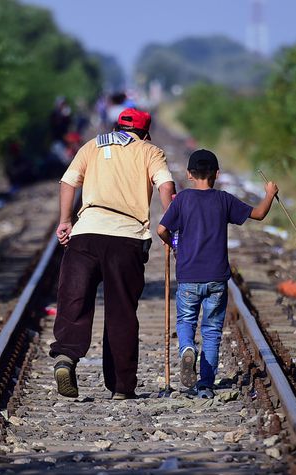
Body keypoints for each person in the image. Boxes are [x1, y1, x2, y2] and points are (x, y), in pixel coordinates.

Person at [50, 108, 176, 400]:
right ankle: (121, 386)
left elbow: (68, 182)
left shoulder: (92, 145)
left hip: (86, 234)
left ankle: (66, 356)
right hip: (126, 238)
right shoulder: (150, 150)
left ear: (118, 126)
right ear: (144, 132)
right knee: (121, 312)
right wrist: (169, 226)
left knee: (74, 300)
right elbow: (166, 186)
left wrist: (65, 220)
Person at [157, 149, 278, 398]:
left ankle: (186, 349)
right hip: (216, 278)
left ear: (189, 175)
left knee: (186, 320)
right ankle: (206, 384)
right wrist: (269, 194)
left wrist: (174, 244)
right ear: (217, 174)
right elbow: (259, 213)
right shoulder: (224, 200)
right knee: (212, 331)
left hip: (189, 276)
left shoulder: (181, 200)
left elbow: (161, 229)